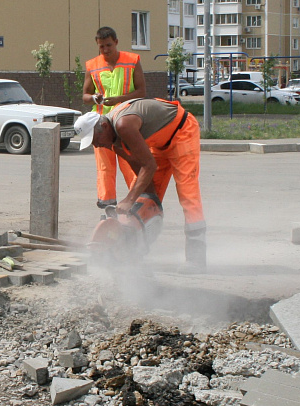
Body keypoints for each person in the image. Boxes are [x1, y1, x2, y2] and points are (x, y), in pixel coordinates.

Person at [80, 95, 206, 270]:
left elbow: (149, 165)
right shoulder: (114, 140)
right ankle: (132, 251)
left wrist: (130, 200)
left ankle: (196, 259)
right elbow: (139, 169)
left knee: (187, 191)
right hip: (160, 141)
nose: (97, 146)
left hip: (182, 131)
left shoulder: (124, 126)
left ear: (103, 126)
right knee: (144, 197)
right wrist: (149, 202)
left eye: (96, 140)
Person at [82, 27, 146, 210]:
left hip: (127, 121)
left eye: (108, 45)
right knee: (105, 166)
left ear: (116, 42)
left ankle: (138, 203)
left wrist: (119, 100)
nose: (105, 50)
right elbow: (85, 96)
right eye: (101, 47)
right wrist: (94, 98)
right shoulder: (92, 65)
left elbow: (141, 92)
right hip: (102, 124)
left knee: (130, 162)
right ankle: (107, 206)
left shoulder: (132, 60)